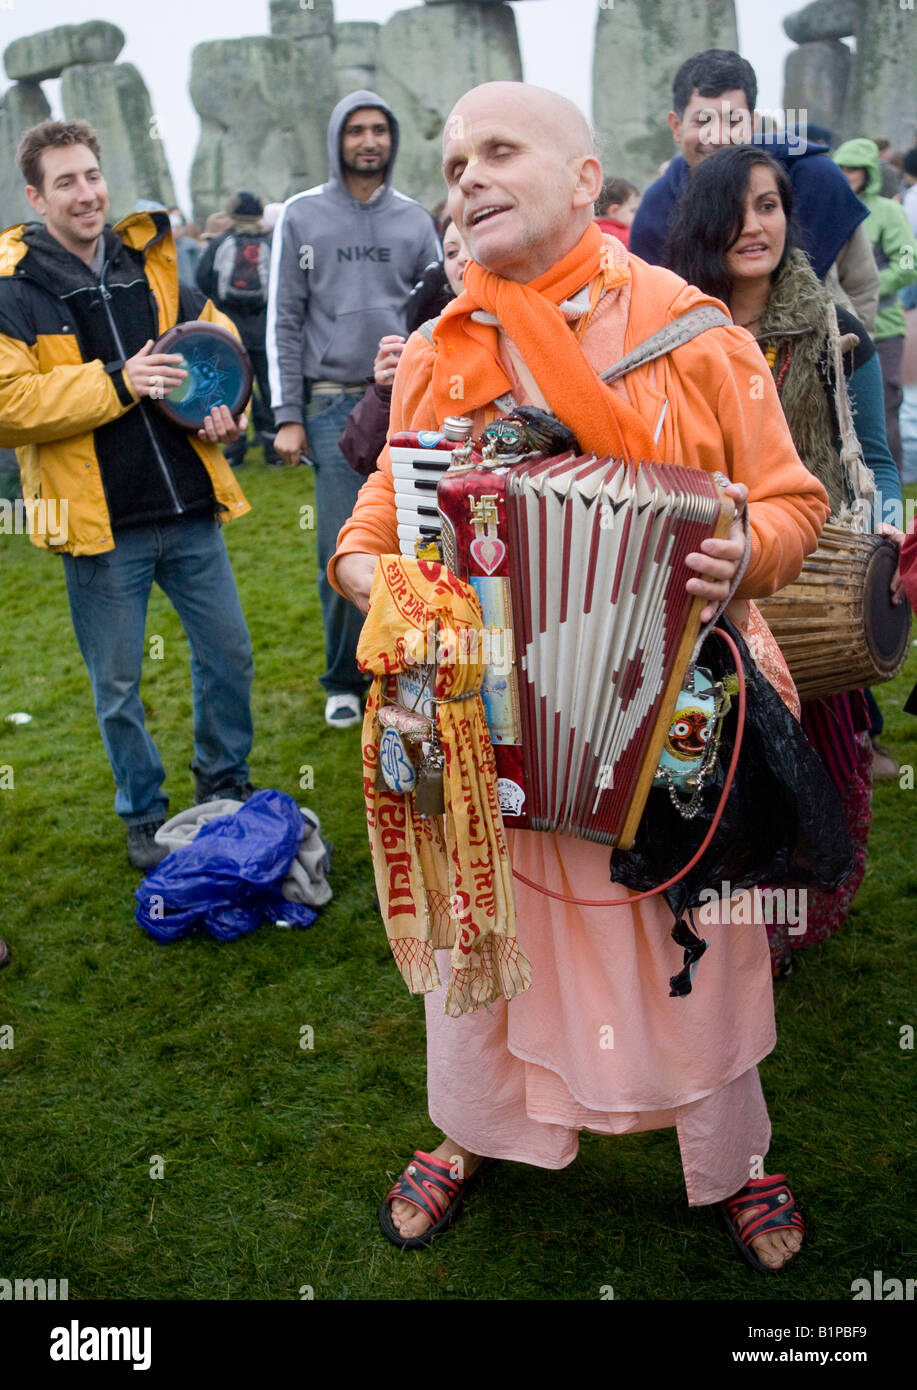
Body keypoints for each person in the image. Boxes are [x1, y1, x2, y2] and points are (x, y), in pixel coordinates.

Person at [331, 81, 832, 1273]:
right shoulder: (444, 341)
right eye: (453, 165)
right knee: (481, 945)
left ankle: (734, 1161)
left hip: (668, 715)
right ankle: (471, 1130)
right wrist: (365, 573)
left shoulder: (691, 327)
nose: (465, 180)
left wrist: (739, 552)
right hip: (486, 725)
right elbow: (377, 514)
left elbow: (792, 503)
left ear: (582, 181)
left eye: (497, 151)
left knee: (691, 959)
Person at [666, 145, 903, 972]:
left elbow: (873, 458)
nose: (754, 225)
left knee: (816, 768)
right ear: (705, 222)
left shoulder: (838, 334)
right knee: (716, 770)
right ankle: (722, 916)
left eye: (769, 206)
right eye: (736, 209)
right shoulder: (669, 334)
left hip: (807, 582)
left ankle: (795, 921)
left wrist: (882, 534)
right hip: (700, 590)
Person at [0, 120, 255, 871]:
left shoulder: (153, 262)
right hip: (101, 527)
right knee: (118, 685)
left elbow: (223, 346)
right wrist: (118, 381)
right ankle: (143, 812)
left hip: (189, 507)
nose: (87, 193)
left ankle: (224, 781)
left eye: (92, 175)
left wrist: (228, 411)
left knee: (230, 656)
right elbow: (9, 405)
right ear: (36, 196)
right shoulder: (14, 288)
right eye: (67, 182)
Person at [266, 90, 442, 729]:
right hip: (333, 402)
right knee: (344, 550)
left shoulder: (416, 221)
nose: (369, 141)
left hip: (407, 399)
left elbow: (436, 312)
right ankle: (344, 677)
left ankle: (406, 668)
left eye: (379, 130)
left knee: (418, 543)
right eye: (356, 131)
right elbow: (283, 318)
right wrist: (287, 414)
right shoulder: (302, 215)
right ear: (338, 138)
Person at [630, 49, 880, 333]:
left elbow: (861, 284)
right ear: (676, 126)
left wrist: (854, 361)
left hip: (817, 358)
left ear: (752, 123)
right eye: (702, 121)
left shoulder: (815, 179)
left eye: (734, 120)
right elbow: (644, 313)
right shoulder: (658, 207)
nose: (719, 136)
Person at [340, 217, 471, 477]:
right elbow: (362, 454)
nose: (462, 258)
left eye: (472, 243)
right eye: (452, 252)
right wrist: (387, 391)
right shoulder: (424, 341)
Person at [832, 139, 917, 474]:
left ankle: (888, 499)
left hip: (883, 329)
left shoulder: (888, 211)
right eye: (840, 167)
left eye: (853, 168)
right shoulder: (831, 208)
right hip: (836, 332)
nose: (846, 174)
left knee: (883, 416)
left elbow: (909, 262)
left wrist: (866, 286)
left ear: (869, 172)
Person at [196, 191, 281, 467]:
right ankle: (274, 451)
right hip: (264, 329)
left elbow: (202, 280)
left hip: (228, 331)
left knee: (230, 388)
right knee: (269, 389)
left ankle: (234, 450)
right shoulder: (271, 243)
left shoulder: (221, 242)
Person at [594, 176, 640, 247]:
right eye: (633, 210)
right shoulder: (621, 236)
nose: (638, 216)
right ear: (614, 210)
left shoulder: (593, 228)